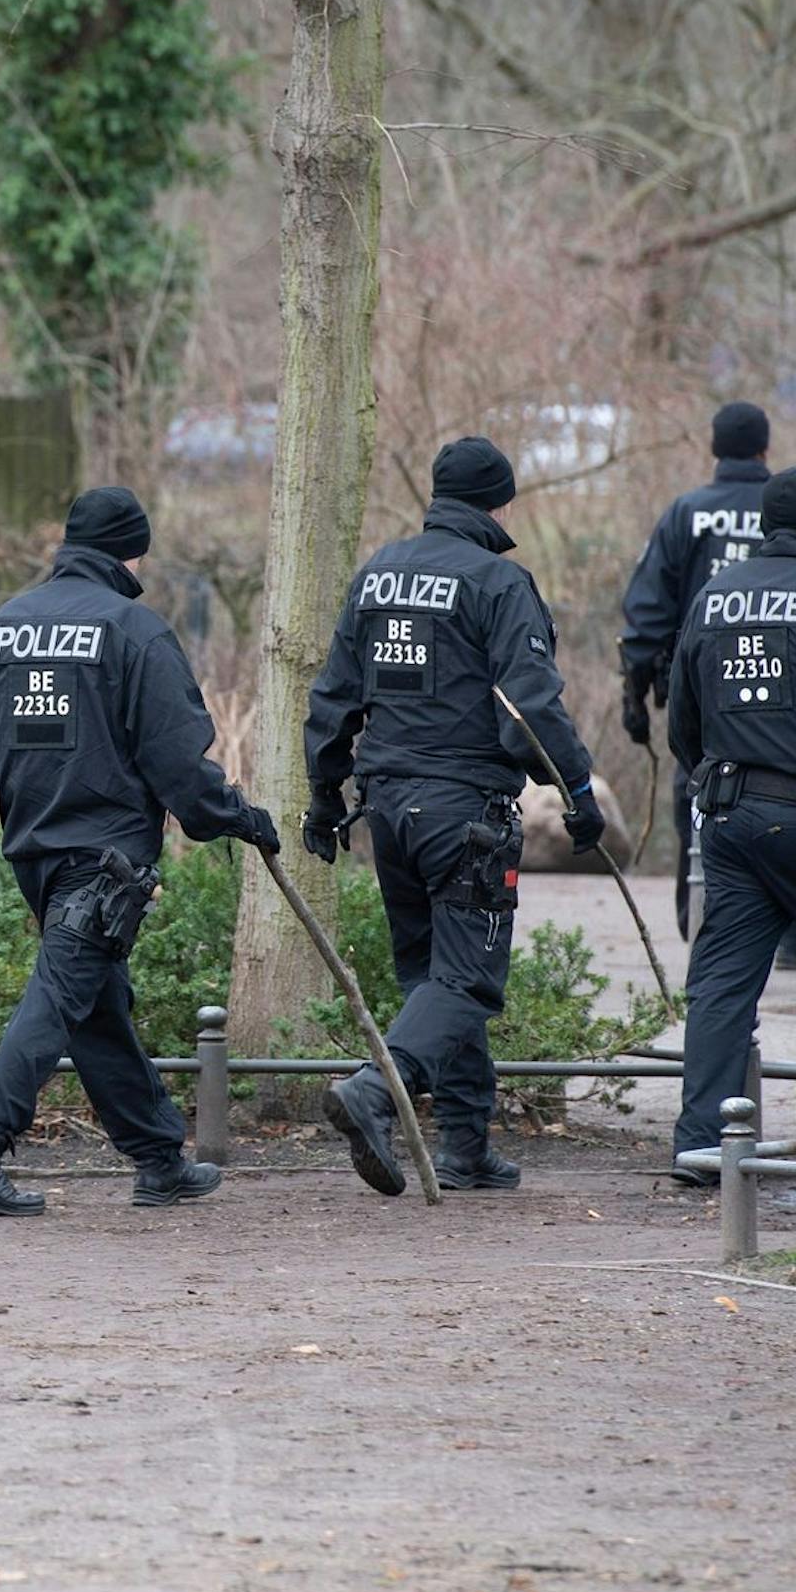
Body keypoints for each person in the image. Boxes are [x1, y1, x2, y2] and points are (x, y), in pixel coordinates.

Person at [0, 486, 279, 1217]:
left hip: (34, 855)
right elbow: (179, 765)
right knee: (62, 997)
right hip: (107, 863)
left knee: (94, 1004)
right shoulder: (133, 631)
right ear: (133, 550)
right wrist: (237, 816)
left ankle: (157, 1158)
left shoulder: (0, 629)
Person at [302, 437, 602, 1197]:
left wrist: (322, 795)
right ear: (499, 503)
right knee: (466, 983)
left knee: (433, 979)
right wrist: (578, 793)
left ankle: (465, 1147)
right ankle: (376, 1091)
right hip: (462, 812)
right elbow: (529, 707)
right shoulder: (499, 581)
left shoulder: (377, 573)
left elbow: (335, 696)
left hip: (388, 812)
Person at [665, 467, 796, 1182]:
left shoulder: (714, 598)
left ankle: (703, 1144)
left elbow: (682, 722)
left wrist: (716, 778)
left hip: (728, 819)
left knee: (721, 983)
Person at [619, 401, 771, 940]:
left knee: (700, 799)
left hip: (703, 692)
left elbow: (646, 615)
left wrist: (634, 696)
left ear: (714, 448)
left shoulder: (686, 513)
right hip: (785, 692)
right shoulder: (789, 511)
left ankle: (700, 924)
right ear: (765, 449)